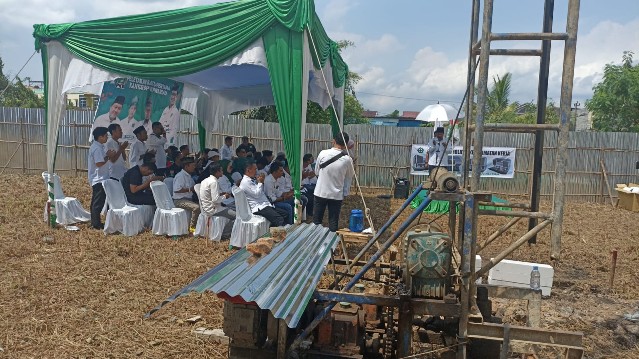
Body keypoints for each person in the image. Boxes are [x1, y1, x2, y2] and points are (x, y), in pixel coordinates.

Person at [313, 132, 355, 232]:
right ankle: (331, 245)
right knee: (333, 222)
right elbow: (349, 176)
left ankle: (314, 242)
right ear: (346, 145)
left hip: (320, 192)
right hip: (336, 194)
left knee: (316, 221)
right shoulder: (348, 159)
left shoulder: (323, 153)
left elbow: (316, 171)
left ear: (333, 141)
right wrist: (345, 192)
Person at [239, 161, 288, 227]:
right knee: (279, 219)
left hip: (265, 204)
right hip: (259, 207)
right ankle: (282, 235)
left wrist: (259, 182)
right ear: (248, 170)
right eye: (255, 169)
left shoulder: (251, 180)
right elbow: (257, 194)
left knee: (285, 213)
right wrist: (260, 183)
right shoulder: (245, 182)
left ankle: (273, 230)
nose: (256, 171)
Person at [88, 127, 116, 229]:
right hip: (98, 178)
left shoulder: (100, 146)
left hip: (101, 177)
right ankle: (95, 224)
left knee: (98, 201)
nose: (107, 138)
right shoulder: (96, 148)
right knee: (97, 202)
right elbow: (99, 163)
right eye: (106, 136)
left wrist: (108, 155)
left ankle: (96, 222)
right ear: (100, 137)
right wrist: (108, 156)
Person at [199, 163, 236, 239]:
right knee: (237, 216)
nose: (223, 172)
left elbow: (210, 194)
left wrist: (221, 194)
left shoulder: (206, 180)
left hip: (206, 207)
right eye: (221, 170)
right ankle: (225, 234)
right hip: (213, 209)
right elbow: (215, 200)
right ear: (217, 172)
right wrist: (225, 196)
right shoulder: (214, 182)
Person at [173, 157, 200, 232]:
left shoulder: (189, 176)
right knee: (196, 207)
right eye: (193, 165)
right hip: (179, 200)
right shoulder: (180, 176)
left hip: (188, 199)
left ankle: (199, 226)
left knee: (203, 206)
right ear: (186, 166)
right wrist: (190, 189)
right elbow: (176, 190)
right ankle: (192, 228)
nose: (194, 167)